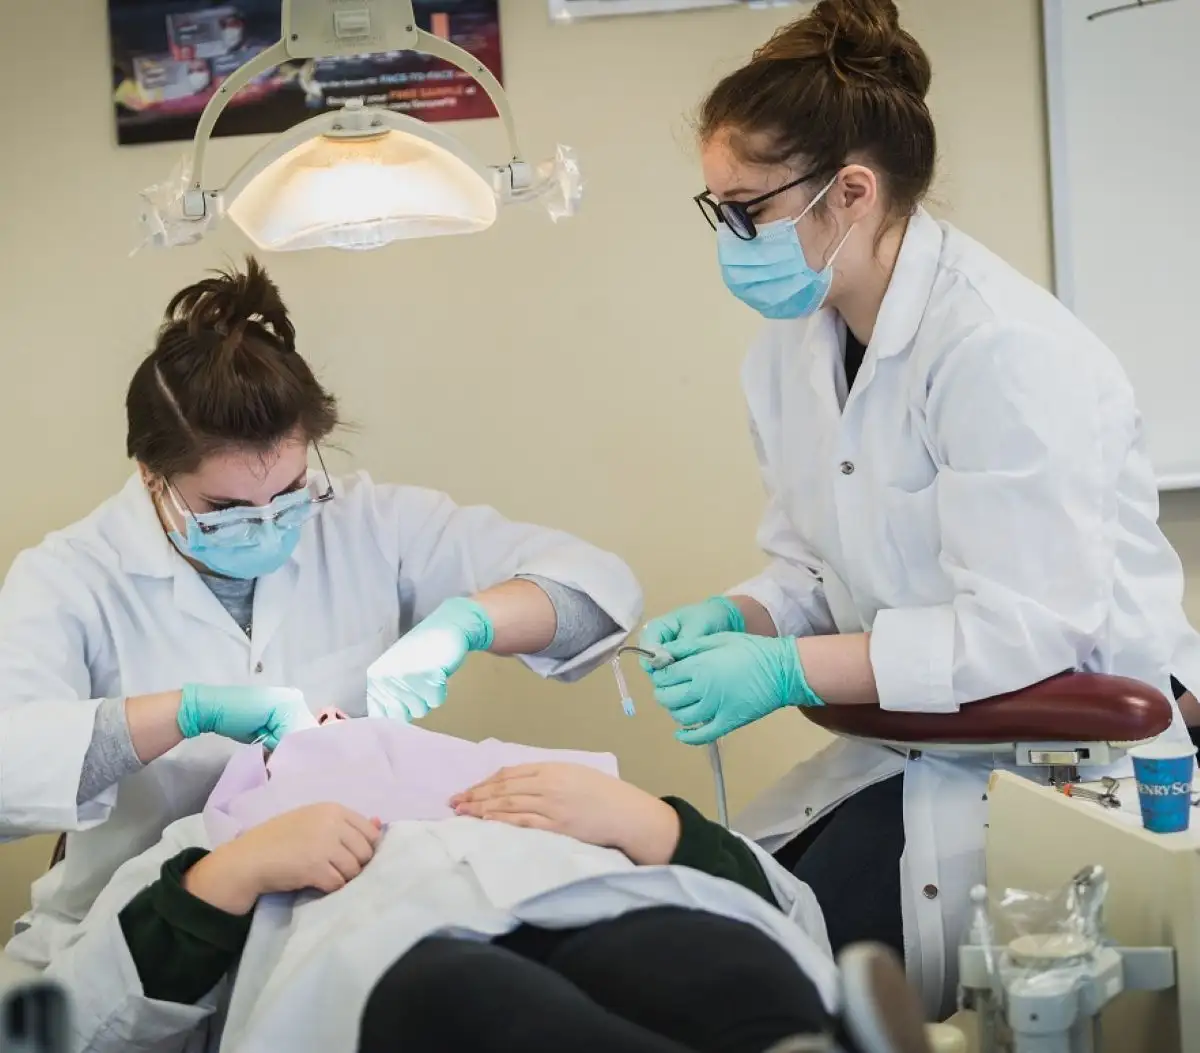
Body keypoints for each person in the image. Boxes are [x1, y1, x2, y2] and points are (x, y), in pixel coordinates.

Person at [638, 0, 1199, 1016]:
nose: (727, 236)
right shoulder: (793, 348)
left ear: (848, 193)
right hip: (910, 750)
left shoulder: (1003, 352)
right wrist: (742, 616)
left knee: (770, 984)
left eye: (744, 209)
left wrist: (782, 669)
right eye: (713, 207)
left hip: (1064, 766)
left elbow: (1022, 634)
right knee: (708, 920)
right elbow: (814, 567)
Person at [0, 258, 641, 970]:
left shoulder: (366, 520)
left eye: (291, 489)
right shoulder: (70, 576)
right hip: (122, 932)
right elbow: (8, 765)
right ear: (153, 475)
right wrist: (183, 713)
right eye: (227, 509)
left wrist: (469, 622)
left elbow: (594, 591)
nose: (270, 523)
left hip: (340, 913)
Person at [41, 724, 932, 1053]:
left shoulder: (522, 769)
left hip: (606, 897)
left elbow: (790, 917)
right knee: (456, 993)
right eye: (307, 723)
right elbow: (72, 1022)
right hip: (387, 955)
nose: (335, 720)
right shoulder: (224, 830)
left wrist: (652, 823)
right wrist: (227, 875)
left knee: (698, 947)